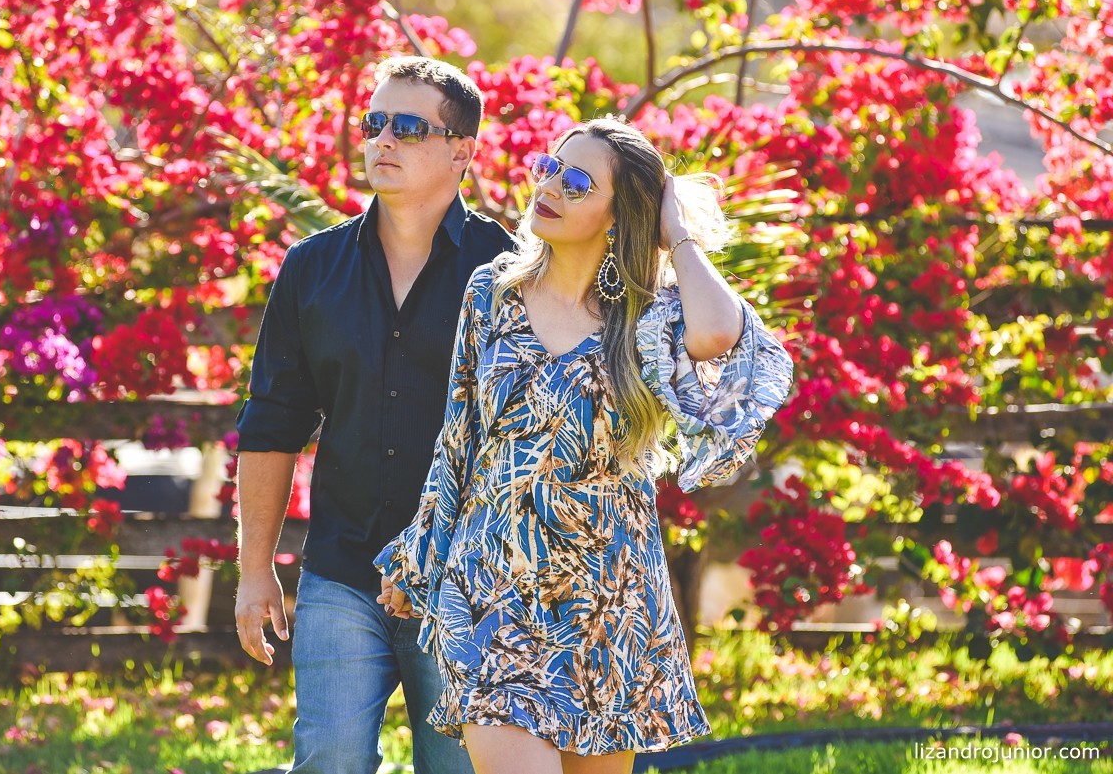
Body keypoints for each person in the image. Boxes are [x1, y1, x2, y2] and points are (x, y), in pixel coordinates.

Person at [374, 117, 794, 774]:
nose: (550, 186)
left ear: (618, 214)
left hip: (607, 597)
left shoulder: (649, 314)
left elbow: (718, 334)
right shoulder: (494, 293)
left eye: (577, 182)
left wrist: (675, 230)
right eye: (549, 166)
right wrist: (420, 546)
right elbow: (460, 436)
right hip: (494, 584)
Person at [234, 56, 513, 774]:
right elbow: (272, 424)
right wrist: (255, 568)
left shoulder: (508, 271)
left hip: (463, 586)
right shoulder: (311, 268)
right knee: (327, 758)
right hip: (343, 570)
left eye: (410, 127)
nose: (383, 139)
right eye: (374, 122)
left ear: (462, 150)